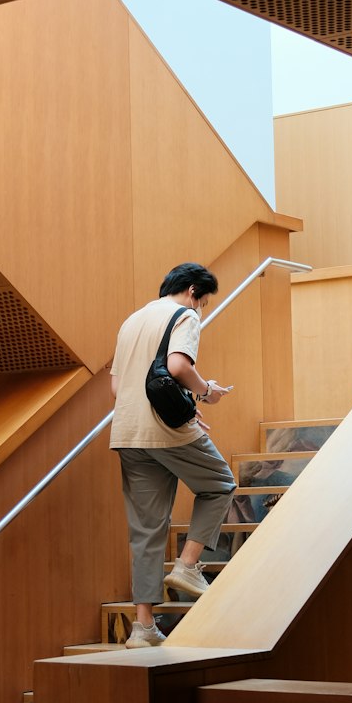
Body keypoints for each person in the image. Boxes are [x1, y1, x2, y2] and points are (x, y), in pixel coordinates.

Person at [110, 262, 236, 647]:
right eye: (204, 302)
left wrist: (179, 402)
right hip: (166, 432)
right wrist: (205, 391)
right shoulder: (184, 316)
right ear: (194, 291)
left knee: (146, 530)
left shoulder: (132, 321)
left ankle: (143, 626)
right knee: (220, 484)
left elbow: (118, 387)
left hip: (129, 433)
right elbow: (179, 366)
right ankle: (188, 565)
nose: (201, 310)